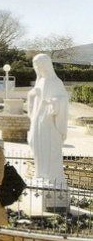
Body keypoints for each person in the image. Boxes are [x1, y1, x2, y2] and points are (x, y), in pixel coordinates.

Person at [27, 53, 69, 183]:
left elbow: (63, 99)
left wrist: (54, 102)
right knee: (36, 145)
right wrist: (32, 95)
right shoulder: (39, 81)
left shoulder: (56, 82)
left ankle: (53, 177)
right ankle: (40, 174)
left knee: (50, 149)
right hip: (37, 121)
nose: (37, 68)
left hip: (50, 124)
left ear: (46, 65)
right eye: (35, 65)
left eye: (39, 65)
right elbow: (33, 99)